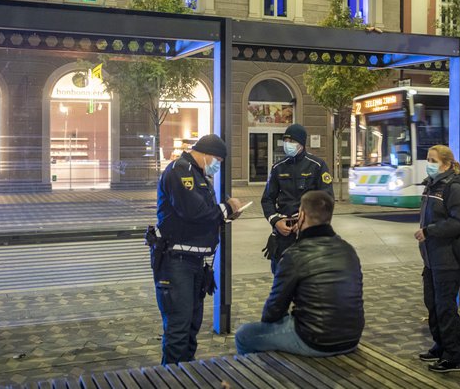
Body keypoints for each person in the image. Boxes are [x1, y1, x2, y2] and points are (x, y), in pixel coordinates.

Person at [235, 190, 364, 356]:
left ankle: (262, 376)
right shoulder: (348, 249)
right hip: (351, 338)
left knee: (244, 335)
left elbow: (274, 309)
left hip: (315, 340)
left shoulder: (295, 254)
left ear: (301, 216)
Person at [153, 133, 243, 365]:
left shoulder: (198, 175)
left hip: (194, 263)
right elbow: (194, 212)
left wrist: (225, 214)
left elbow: (205, 216)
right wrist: (226, 208)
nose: (217, 167)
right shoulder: (180, 171)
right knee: (179, 329)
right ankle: (171, 379)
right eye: (218, 162)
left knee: (191, 327)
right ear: (207, 155)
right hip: (176, 262)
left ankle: (187, 375)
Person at [414, 144, 460, 373]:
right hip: (431, 258)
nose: (429, 163)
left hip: (447, 260)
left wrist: (430, 231)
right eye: (428, 159)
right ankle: (440, 346)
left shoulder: (454, 187)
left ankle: (454, 356)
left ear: (446, 164)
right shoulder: (432, 184)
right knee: (433, 305)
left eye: (433, 160)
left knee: (446, 308)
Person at [261, 123, 334, 273]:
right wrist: (276, 222)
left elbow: (327, 200)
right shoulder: (278, 167)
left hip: (308, 234)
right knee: (281, 279)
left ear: (301, 144)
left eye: (292, 141)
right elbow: (267, 199)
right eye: (286, 141)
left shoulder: (317, 166)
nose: (288, 145)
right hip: (283, 233)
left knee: (308, 279)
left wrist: (305, 221)